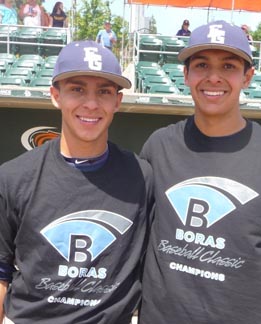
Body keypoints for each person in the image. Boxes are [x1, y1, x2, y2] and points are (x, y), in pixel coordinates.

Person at [138, 20, 261, 324]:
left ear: (248, 77)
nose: (214, 77)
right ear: (186, 75)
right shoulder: (159, 146)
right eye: (202, 65)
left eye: (229, 66)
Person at [0, 40, 153, 324]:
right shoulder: (13, 177)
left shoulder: (142, 177)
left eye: (104, 91)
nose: (91, 104)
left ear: (117, 101)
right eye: (77, 89)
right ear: (55, 95)